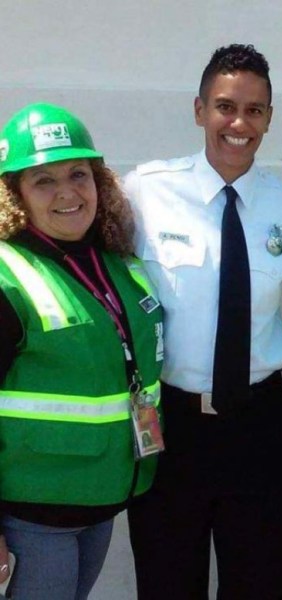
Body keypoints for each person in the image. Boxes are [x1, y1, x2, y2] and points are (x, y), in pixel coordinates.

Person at [125, 44, 282, 599]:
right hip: (172, 426)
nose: (239, 123)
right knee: (167, 583)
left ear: (269, 118)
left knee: (262, 584)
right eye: (226, 106)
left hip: (261, 425)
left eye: (255, 110)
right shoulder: (145, 193)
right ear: (200, 109)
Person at [0, 103, 163, 599]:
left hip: (97, 505)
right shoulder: (8, 276)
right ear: (15, 195)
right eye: (44, 180)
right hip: (32, 515)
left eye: (78, 174)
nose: (68, 192)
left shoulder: (114, 261)